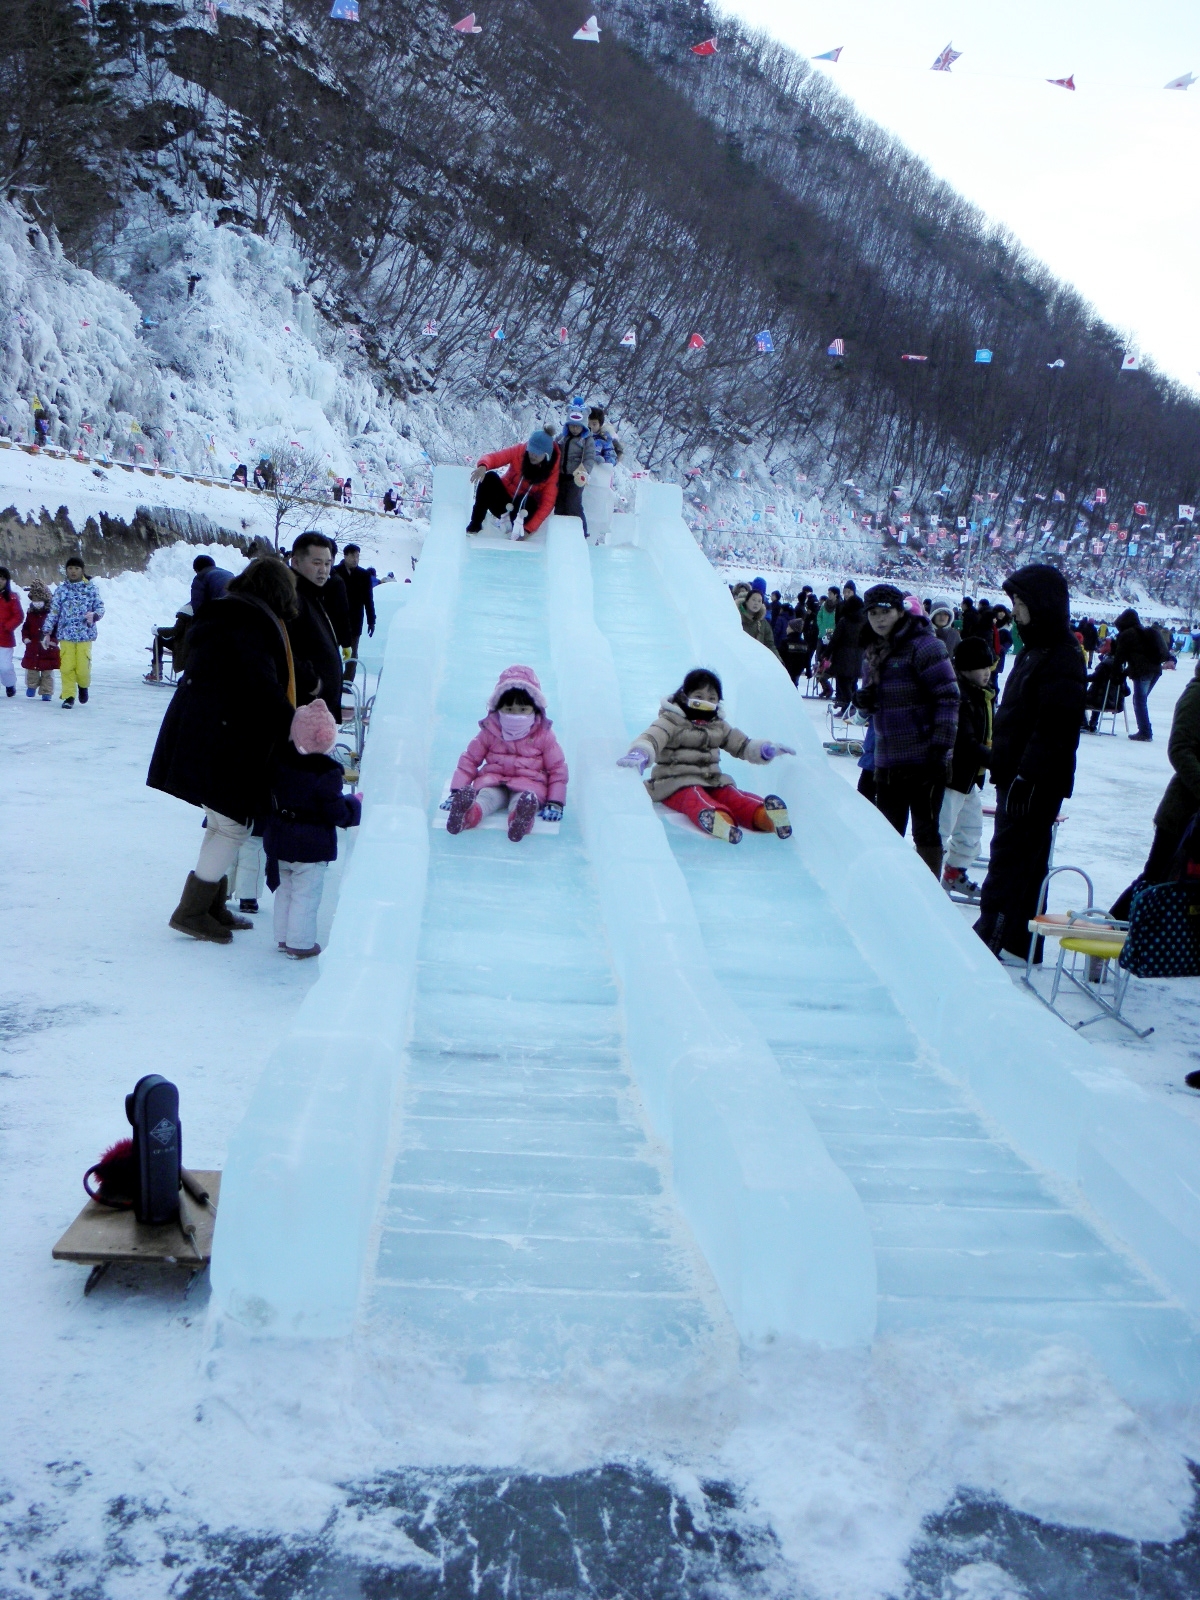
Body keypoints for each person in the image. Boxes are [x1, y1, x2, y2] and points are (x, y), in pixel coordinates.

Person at [147, 555, 299, 944]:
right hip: (222, 736)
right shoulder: (249, 622)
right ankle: (193, 911)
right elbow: (260, 683)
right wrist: (294, 723)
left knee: (223, 822)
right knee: (231, 825)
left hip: (207, 730)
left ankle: (210, 903)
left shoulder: (230, 613)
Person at [974, 564, 1086, 961]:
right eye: (1014, 602)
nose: (1015, 611)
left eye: (1021, 603)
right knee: (1026, 860)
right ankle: (1022, 943)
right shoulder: (1035, 649)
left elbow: (1056, 726)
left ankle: (989, 935)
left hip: (1035, 781)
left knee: (1010, 862)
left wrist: (1026, 774)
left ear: (1042, 604)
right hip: (1018, 773)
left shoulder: (1062, 655)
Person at [617, 668, 794, 845]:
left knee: (731, 794)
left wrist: (764, 750)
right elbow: (653, 737)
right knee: (694, 797)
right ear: (686, 696)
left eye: (711, 699)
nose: (705, 702)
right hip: (674, 783)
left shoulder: (718, 725)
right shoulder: (671, 721)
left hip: (711, 780)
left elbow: (742, 745)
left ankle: (765, 816)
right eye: (699, 696)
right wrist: (641, 752)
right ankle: (719, 821)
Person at [855, 585, 959, 876]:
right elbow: (871, 705)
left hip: (925, 758)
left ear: (900, 611)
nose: (879, 618)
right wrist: (864, 701)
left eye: (885, 611)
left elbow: (948, 697)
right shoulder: (874, 651)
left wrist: (940, 748)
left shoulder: (925, 645)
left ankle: (926, 897)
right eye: (873, 613)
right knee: (888, 831)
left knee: (925, 831)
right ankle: (892, 889)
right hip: (888, 760)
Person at [263, 699, 361, 959]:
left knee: (285, 890)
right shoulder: (325, 774)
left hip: (280, 837)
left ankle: (283, 937)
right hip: (311, 844)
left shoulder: (280, 761)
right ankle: (301, 943)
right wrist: (354, 806)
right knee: (305, 896)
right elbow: (336, 812)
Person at [1110, 654, 1200, 919]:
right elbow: (1180, 749)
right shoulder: (1197, 694)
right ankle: (1111, 930)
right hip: (1183, 813)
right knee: (1156, 879)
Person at [444, 664, 568, 842]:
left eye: (523, 710)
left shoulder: (543, 735)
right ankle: (467, 815)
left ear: (535, 709)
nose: (515, 716)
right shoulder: (491, 730)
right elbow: (470, 759)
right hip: (494, 780)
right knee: (486, 797)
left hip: (529, 783)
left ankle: (520, 819)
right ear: (498, 708)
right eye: (509, 710)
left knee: (523, 801)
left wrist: (555, 802)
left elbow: (557, 769)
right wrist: (456, 791)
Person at [939, 637, 995, 893]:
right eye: (980, 668)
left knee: (971, 830)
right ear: (964, 669)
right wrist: (997, 760)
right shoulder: (959, 697)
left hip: (968, 778)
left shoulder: (981, 695)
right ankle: (926, 879)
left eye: (988, 667)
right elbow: (966, 743)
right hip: (951, 777)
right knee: (940, 831)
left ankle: (953, 873)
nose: (986, 673)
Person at [287, 532, 344, 721]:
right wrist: (313, 683)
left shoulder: (312, 594)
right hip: (305, 711)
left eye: (328, 564)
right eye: (316, 563)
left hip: (318, 709)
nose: (324, 570)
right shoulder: (292, 598)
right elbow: (284, 650)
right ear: (295, 562)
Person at [467, 431, 561, 539]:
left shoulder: (552, 472)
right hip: (504, 501)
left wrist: (528, 529)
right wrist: (483, 465)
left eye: (537, 453)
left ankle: (515, 530)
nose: (533, 455)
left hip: (523, 511)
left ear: (546, 455)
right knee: (489, 477)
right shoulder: (519, 451)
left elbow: (547, 504)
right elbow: (496, 457)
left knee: (526, 501)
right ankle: (475, 524)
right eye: (531, 451)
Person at [43, 557, 103, 708]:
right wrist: (47, 631)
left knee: (82, 669)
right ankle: (69, 696)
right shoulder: (61, 590)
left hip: (84, 635)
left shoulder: (91, 588)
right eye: (70, 568)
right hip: (66, 635)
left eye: (76, 568)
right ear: (66, 570)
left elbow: (100, 607)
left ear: (82, 570)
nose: (73, 571)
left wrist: (95, 616)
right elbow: (54, 612)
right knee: (67, 667)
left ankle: (83, 686)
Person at [1110, 607, 1169, 741]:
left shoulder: (1127, 634)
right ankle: (1145, 729)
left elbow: (1120, 657)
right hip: (1155, 670)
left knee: (1140, 701)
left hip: (1142, 671)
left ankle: (1145, 732)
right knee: (1141, 700)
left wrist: (1115, 673)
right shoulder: (1148, 632)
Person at [332, 543, 376, 679]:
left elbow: (369, 600)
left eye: (357, 556)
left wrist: (371, 621)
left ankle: (348, 680)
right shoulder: (334, 572)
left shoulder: (364, 575)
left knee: (352, 652)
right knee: (332, 650)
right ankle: (332, 678)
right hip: (335, 618)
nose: (355, 559)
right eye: (352, 556)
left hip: (355, 620)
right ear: (345, 556)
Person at [556, 407, 596, 533]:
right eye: (572, 426)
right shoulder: (563, 438)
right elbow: (554, 448)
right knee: (560, 505)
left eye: (577, 427)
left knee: (573, 504)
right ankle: (560, 532)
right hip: (561, 476)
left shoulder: (587, 440)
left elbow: (589, 458)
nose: (574, 429)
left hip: (576, 477)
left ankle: (582, 532)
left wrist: (585, 472)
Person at [829, 592, 865, 714]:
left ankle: (849, 707)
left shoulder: (844, 621)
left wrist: (826, 653)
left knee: (843, 684)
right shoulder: (864, 621)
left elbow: (835, 639)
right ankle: (849, 708)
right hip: (859, 656)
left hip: (843, 656)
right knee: (853, 683)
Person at [20, 580, 57, 699]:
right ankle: (31, 686)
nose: (36, 602)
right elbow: (25, 627)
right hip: (33, 647)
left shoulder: (51, 614)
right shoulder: (31, 613)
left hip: (48, 648)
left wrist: (53, 641)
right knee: (31, 669)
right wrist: (26, 638)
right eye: (34, 599)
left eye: (39, 599)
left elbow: (57, 629)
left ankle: (46, 692)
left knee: (47, 672)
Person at [738, 580, 782, 659]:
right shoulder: (736, 618)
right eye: (753, 600)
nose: (756, 603)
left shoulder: (763, 623)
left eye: (759, 601)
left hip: (756, 661)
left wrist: (779, 661)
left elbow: (770, 644)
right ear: (747, 601)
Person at [0, 567, 23, 697]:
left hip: (5, 639)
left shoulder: (12, 598)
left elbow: (18, 616)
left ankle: (10, 684)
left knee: (5, 667)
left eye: (3, 578)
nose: (0, 581)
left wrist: (7, 626)